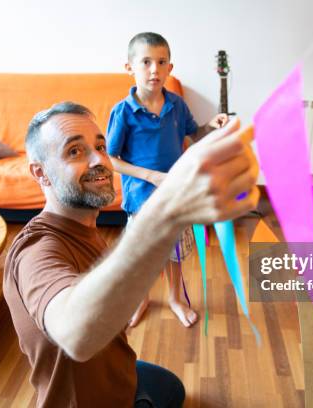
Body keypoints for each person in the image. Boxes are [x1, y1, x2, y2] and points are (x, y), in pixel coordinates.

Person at [3, 101, 258, 407]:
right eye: (75, 151)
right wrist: (167, 208)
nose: (99, 159)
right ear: (40, 173)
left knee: (171, 388)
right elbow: (74, 334)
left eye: (100, 146)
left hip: (121, 380)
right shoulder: (35, 248)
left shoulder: (84, 224)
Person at [107, 32, 228, 327]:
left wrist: (211, 126)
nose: (154, 70)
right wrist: (150, 176)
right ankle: (141, 298)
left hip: (175, 197)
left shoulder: (176, 105)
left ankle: (175, 298)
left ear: (170, 68)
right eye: (146, 62)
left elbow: (192, 135)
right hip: (141, 200)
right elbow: (111, 159)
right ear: (129, 67)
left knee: (173, 255)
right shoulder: (123, 112)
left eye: (161, 62)